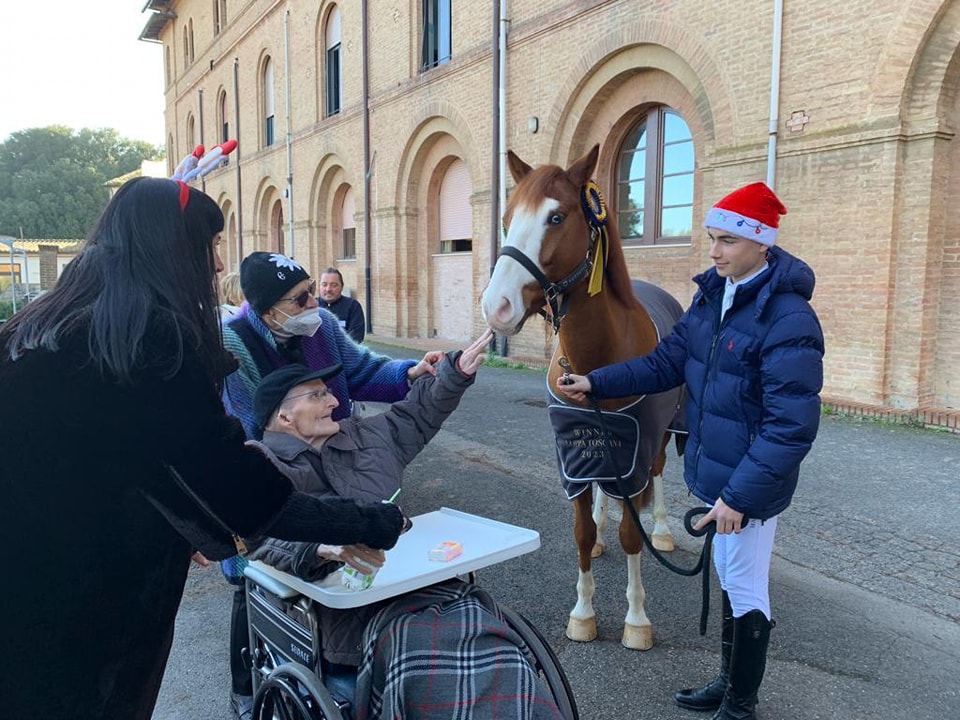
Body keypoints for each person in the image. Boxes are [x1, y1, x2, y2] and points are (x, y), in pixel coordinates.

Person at [0, 177, 405, 720]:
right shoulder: (149, 337)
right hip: (87, 617)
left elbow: (142, 464)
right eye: (211, 244)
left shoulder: (42, 325)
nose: (218, 266)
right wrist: (369, 522)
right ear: (172, 245)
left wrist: (198, 527)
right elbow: (241, 492)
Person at [556, 182, 824, 720]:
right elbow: (663, 364)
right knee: (729, 578)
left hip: (749, 488)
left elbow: (791, 427)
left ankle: (741, 703)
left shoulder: (789, 317)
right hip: (723, 479)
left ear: (761, 243)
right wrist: (597, 381)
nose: (715, 250)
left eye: (726, 240)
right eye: (711, 238)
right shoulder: (712, 298)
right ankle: (728, 683)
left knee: (746, 588)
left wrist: (739, 497)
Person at [247, 331, 561, 719]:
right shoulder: (259, 465)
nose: (333, 400)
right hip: (346, 618)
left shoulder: (362, 435)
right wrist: (320, 549)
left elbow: (416, 414)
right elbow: (259, 537)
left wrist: (454, 373)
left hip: (423, 589)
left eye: (328, 392)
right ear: (284, 415)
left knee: (486, 632)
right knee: (424, 652)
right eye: (317, 395)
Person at [220, 249, 441, 717]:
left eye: (310, 294)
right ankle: (245, 689)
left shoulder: (320, 328)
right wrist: (303, 446)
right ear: (266, 310)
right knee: (254, 580)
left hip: (326, 456)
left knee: (347, 564)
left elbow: (361, 371)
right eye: (299, 300)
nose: (312, 306)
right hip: (273, 465)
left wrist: (409, 372)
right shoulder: (232, 347)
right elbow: (245, 431)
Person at [318, 265, 366, 342]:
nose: (328, 289)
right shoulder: (311, 306)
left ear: (342, 287)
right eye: (324, 284)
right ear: (319, 286)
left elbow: (356, 338)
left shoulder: (352, 306)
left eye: (334, 285)